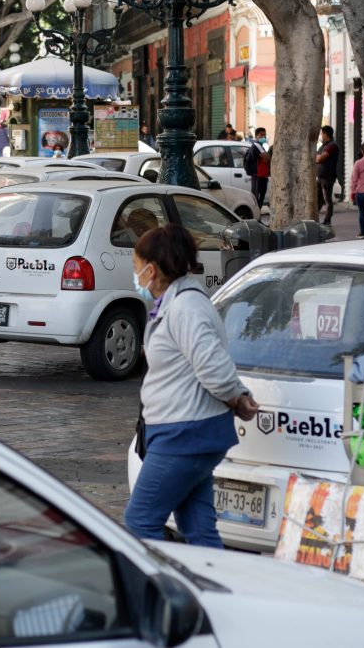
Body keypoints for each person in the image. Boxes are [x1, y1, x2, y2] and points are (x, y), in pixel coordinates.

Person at [124, 224, 259, 547]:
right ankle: (212, 593)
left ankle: (158, 592)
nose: (136, 275)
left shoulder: (187, 307)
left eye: (136, 267)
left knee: (139, 522)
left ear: (151, 270)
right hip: (186, 433)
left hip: (185, 435)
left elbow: (212, 364)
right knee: (197, 529)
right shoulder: (176, 303)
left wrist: (237, 398)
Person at [315, 125, 340, 225]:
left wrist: (318, 157)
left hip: (328, 177)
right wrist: (318, 157)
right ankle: (314, 219)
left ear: (326, 134)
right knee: (318, 199)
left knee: (327, 199)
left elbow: (320, 158)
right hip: (320, 176)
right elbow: (316, 157)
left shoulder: (332, 146)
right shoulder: (323, 146)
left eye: (322, 133)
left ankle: (327, 219)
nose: (321, 135)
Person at [246, 127, 271, 210]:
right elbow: (266, 158)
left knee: (259, 198)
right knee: (257, 199)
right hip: (258, 176)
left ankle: (257, 215)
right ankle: (256, 216)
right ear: (256, 136)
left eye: (264, 135)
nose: (263, 137)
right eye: (261, 135)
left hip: (261, 176)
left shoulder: (261, 146)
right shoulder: (257, 145)